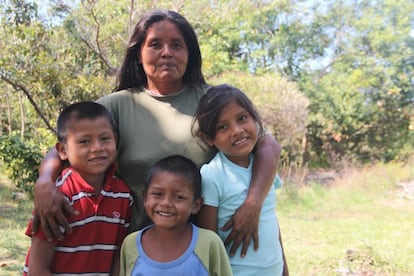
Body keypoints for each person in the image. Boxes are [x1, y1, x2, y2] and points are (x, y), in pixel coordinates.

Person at [33, 9, 281, 257]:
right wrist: (44, 183)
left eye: (177, 45)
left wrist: (253, 203)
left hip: (201, 252)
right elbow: (67, 146)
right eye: (155, 44)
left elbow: (267, 145)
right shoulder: (116, 106)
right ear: (139, 54)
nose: (167, 52)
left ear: (189, 54)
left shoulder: (213, 101)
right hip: (133, 251)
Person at [23, 101, 133, 275]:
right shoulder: (57, 198)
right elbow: (37, 268)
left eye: (105, 138)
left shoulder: (123, 195)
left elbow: (117, 255)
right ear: (63, 150)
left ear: (116, 140)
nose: (97, 148)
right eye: (84, 141)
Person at [193, 84, 288, 276]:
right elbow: (208, 243)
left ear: (256, 120)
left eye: (242, 118)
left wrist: (285, 270)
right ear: (208, 138)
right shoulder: (212, 175)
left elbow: (271, 222)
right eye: (223, 127)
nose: (236, 130)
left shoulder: (264, 169)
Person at [119, 155, 233, 275]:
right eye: (158, 194)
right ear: (145, 197)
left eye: (179, 197)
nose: (166, 203)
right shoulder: (131, 244)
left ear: (196, 205)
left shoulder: (209, 243)